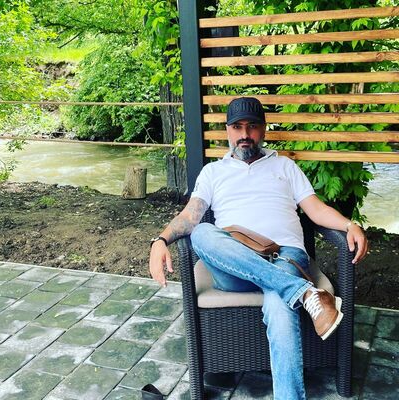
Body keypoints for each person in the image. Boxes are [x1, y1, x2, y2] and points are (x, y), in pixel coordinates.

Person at [149, 97, 368, 400]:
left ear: (263, 129)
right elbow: (189, 217)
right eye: (237, 127)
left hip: (285, 255)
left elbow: (316, 210)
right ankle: (304, 292)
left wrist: (349, 224)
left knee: (279, 302)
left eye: (252, 126)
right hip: (234, 266)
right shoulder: (213, 172)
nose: (245, 134)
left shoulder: (285, 166)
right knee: (201, 232)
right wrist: (160, 240)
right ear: (227, 130)